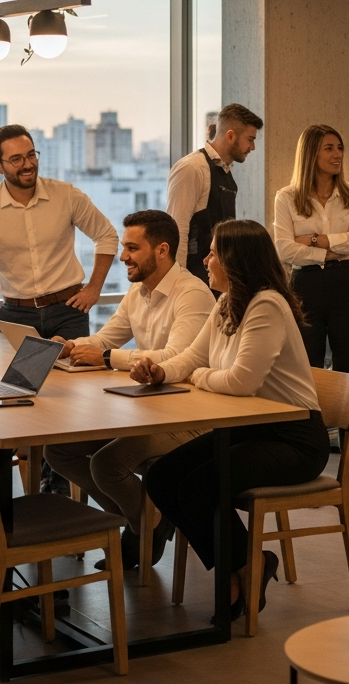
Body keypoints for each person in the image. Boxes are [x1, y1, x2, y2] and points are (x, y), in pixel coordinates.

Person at [138, 220, 329, 621]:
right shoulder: (227, 301)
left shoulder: (266, 305)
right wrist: (161, 372)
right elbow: (193, 356)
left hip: (295, 438)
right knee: (161, 478)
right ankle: (250, 564)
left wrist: (196, 377)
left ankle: (234, 578)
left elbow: (242, 381)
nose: (205, 260)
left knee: (199, 487)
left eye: (212, 253)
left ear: (235, 261)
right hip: (249, 428)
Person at [43, 210, 216, 572]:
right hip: (150, 409)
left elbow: (176, 357)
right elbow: (107, 337)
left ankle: (142, 526)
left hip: (192, 417)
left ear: (162, 250)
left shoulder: (193, 294)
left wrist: (106, 357)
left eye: (131, 248)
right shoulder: (139, 291)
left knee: (107, 464)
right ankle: (144, 516)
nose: (122, 256)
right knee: (58, 449)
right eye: (124, 247)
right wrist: (72, 345)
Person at [273, 123, 349, 512]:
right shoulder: (287, 197)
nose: (337, 155)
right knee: (306, 377)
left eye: (340, 147)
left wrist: (313, 241)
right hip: (306, 290)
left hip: (347, 287)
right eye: (329, 148)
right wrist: (335, 245)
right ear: (311, 153)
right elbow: (283, 249)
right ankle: (306, 463)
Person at [0, 125, 119, 341]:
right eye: (16, 159)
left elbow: (106, 235)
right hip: (16, 315)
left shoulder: (66, 195)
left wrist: (94, 288)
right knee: (13, 376)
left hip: (69, 311)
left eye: (31, 155)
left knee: (72, 375)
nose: (27, 164)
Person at [166, 103, 263, 288]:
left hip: (218, 280)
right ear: (230, 136)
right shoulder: (192, 168)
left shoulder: (224, 171)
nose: (253, 147)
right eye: (250, 139)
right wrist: (177, 285)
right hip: (194, 281)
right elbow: (177, 228)